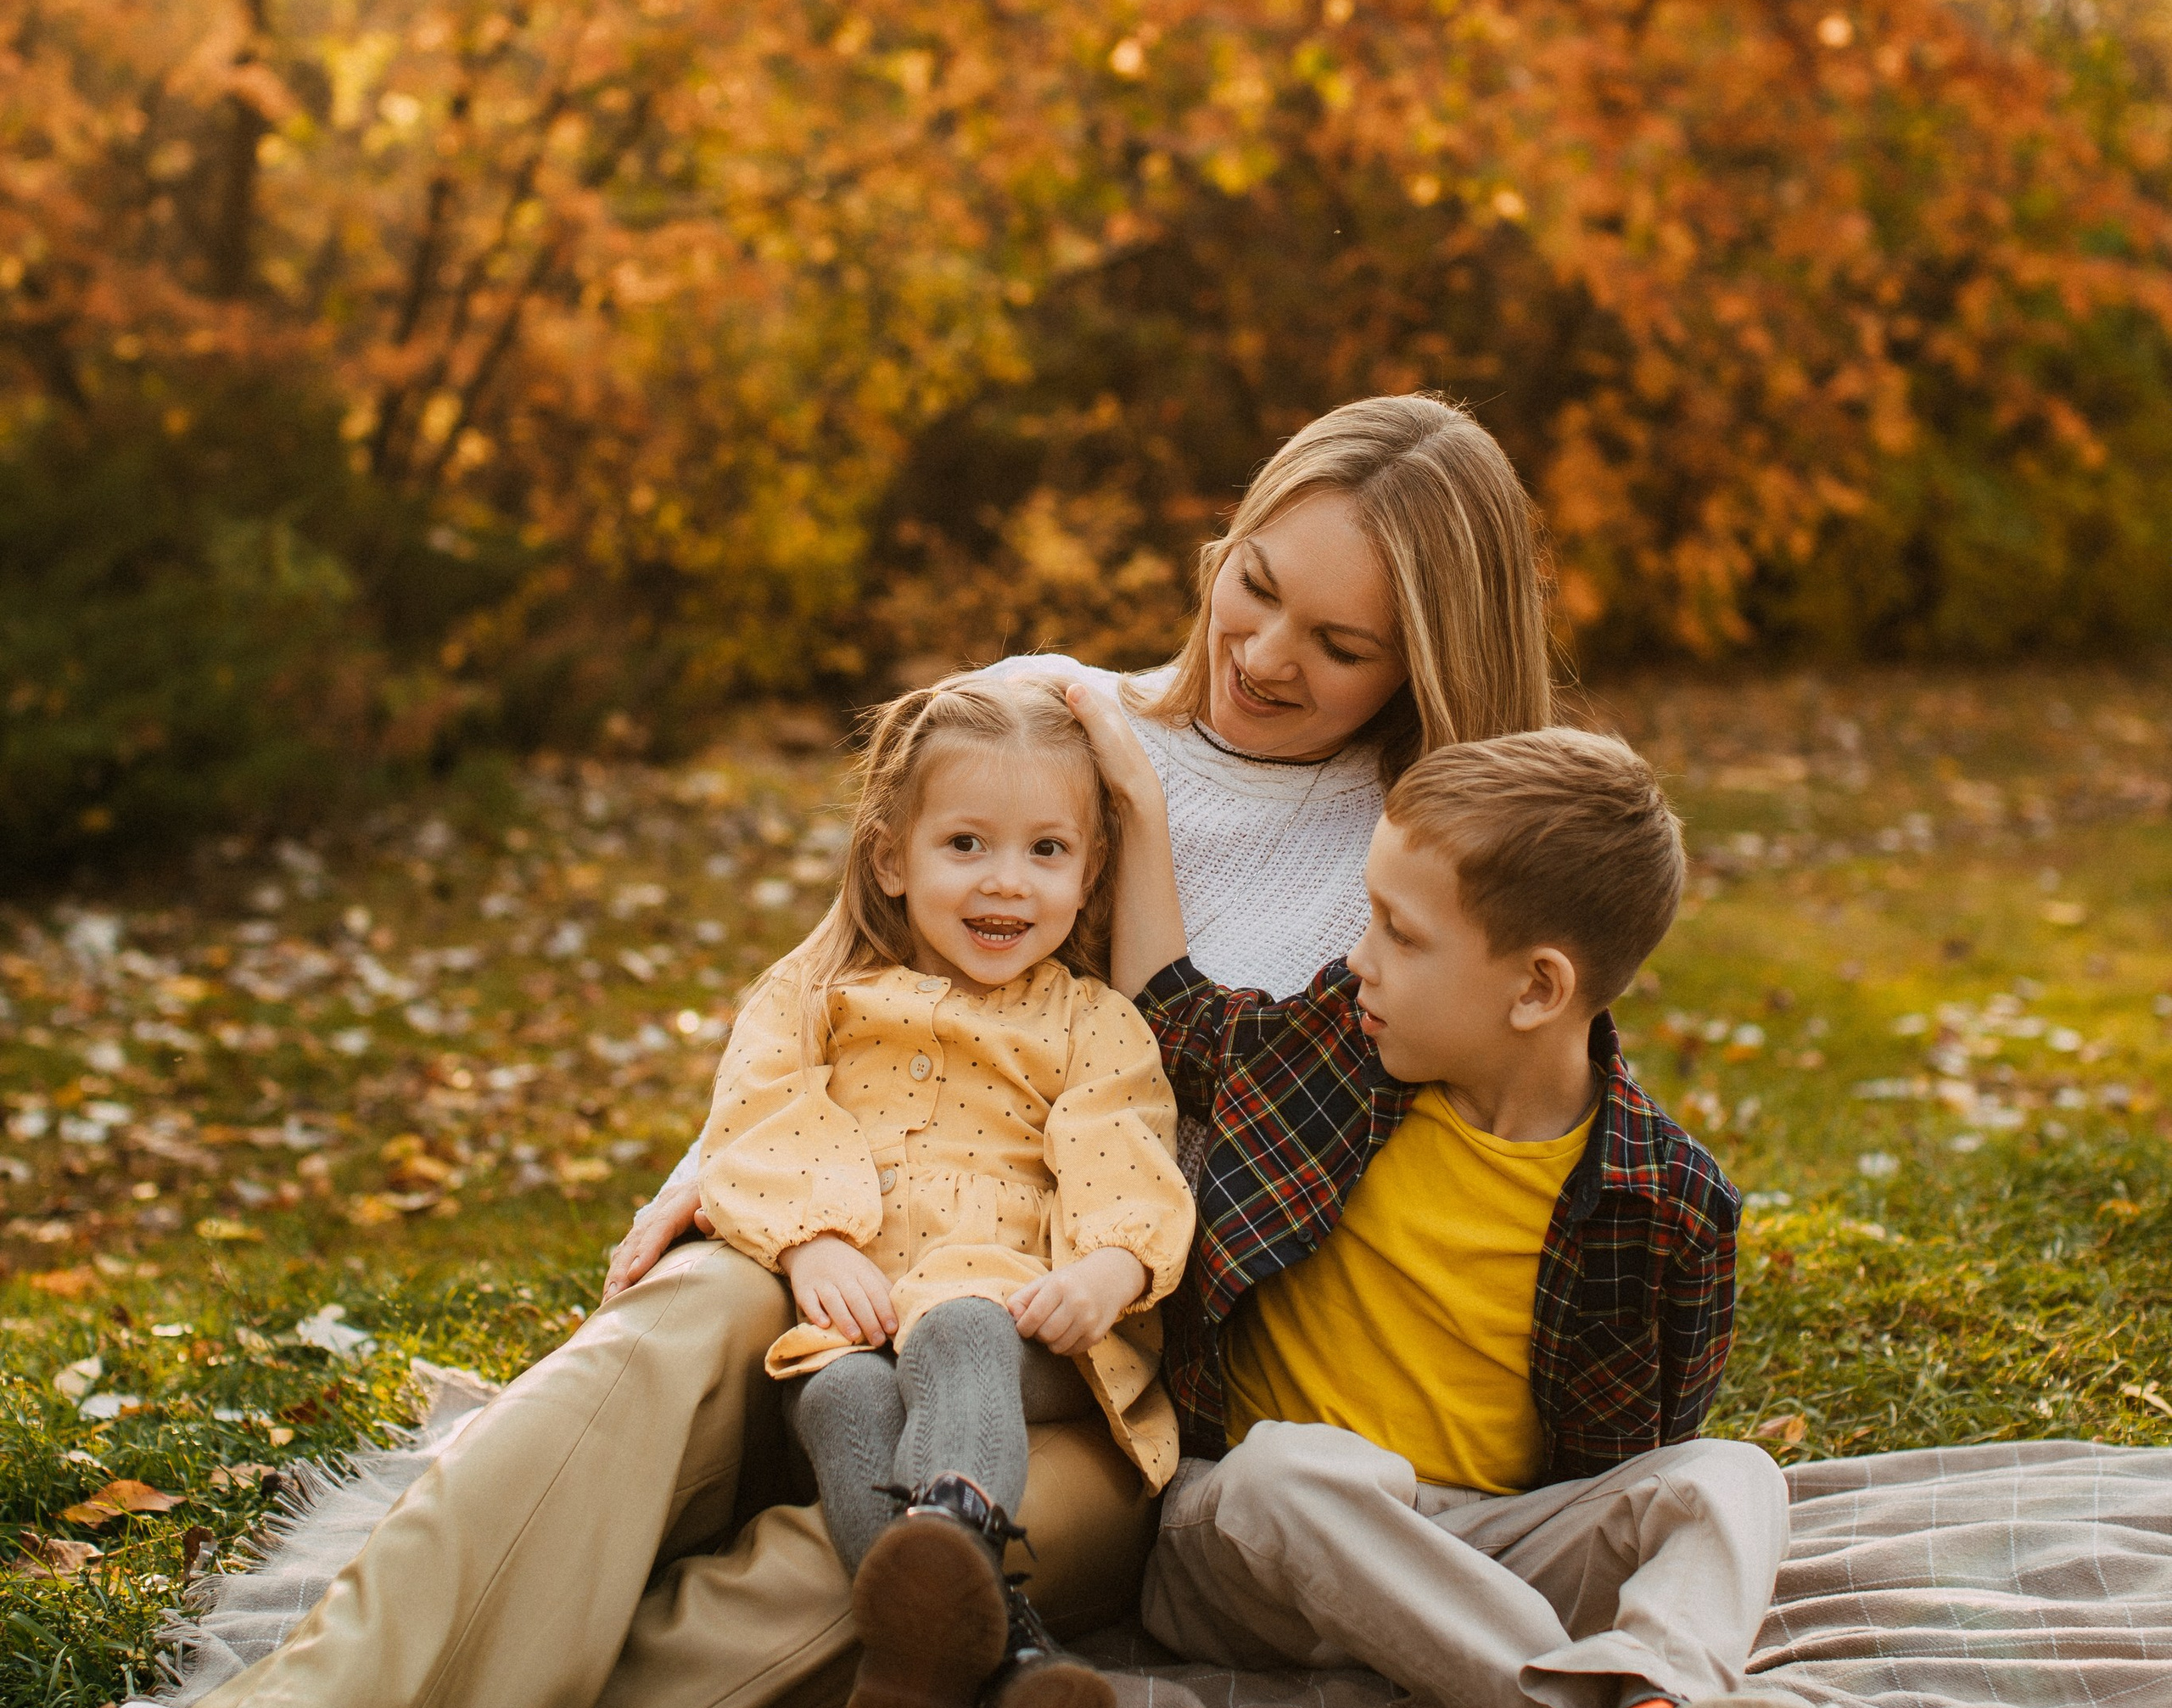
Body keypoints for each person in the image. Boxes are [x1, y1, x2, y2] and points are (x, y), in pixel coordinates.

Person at [196, 392, 1554, 1708]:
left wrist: (1140, 813)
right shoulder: (1033, 711)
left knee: (884, 1572)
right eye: (1253, 586)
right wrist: (723, 1183)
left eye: (1340, 644)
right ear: (1221, 546)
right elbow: (830, 988)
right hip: (834, 1242)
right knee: (648, 1356)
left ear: (1420, 667)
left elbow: (1219, 1120)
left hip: (1075, 1358)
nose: (1263, 657)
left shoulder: (1402, 871)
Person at [1068, 714, 1793, 1708]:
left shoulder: (1668, 1201)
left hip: (1483, 1558)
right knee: (1295, 1473)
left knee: (1729, 1479)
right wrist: (1142, 808)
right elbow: (1173, 1018)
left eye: (1399, 934)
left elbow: (1636, 1452)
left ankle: (1660, 1687)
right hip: (1257, 1536)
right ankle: (1565, 1696)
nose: (1359, 956)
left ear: (1537, 988)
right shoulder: (1340, 1047)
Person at [696, 676, 1193, 1708]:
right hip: (860, 1320)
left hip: (1026, 1326)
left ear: (1089, 869)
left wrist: (1109, 1267)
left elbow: (1127, 1143)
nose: (1005, 883)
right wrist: (810, 1241)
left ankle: (953, 1540)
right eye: (965, 844)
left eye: (1045, 851)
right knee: (837, 1393)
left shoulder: (1088, 1021)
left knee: (957, 1330)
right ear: (892, 857)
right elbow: (757, 1107)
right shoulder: (824, 996)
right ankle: (983, 1657)